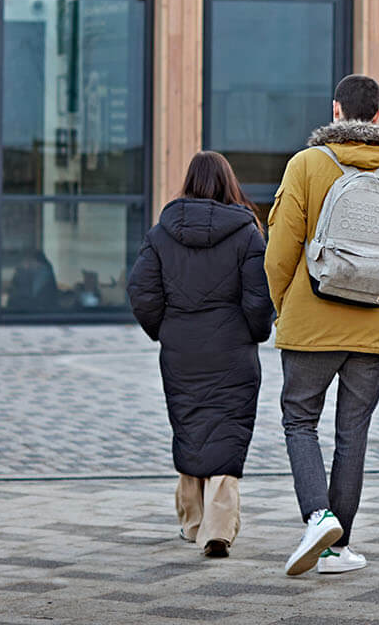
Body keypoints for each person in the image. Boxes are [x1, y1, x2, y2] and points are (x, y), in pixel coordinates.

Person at [264, 74, 379, 577]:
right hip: (372, 329)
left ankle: (318, 516)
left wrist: (284, 305)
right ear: (378, 116)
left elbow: (281, 251)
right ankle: (337, 549)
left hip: (309, 321)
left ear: (336, 111)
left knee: (299, 421)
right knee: (351, 436)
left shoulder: (306, 164)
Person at [127, 151, 273, 559]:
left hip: (181, 349)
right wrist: (255, 333)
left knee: (189, 424)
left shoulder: (161, 233)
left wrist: (165, 330)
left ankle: (192, 522)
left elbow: (141, 293)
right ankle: (218, 529)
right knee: (226, 430)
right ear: (229, 184)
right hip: (232, 350)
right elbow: (260, 298)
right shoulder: (247, 233)